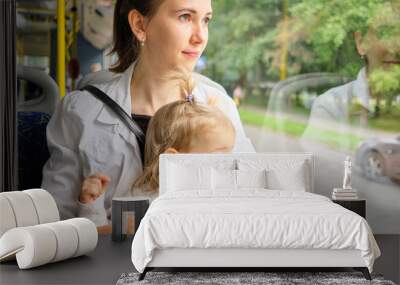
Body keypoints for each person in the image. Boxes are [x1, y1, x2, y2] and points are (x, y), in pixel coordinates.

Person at [42, 0, 254, 226]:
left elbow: (250, 201)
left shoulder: (220, 108)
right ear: (140, 25)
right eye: (185, 17)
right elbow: (55, 220)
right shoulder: (80, 111)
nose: (201, 37)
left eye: (206, 20)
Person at [80, 79, 236, 226]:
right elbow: (113, 237)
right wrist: (91, 209)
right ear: (175, 161)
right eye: (220, 157)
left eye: (231, 155)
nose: (231, 165)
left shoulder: (220, 194)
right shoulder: (146, 201)